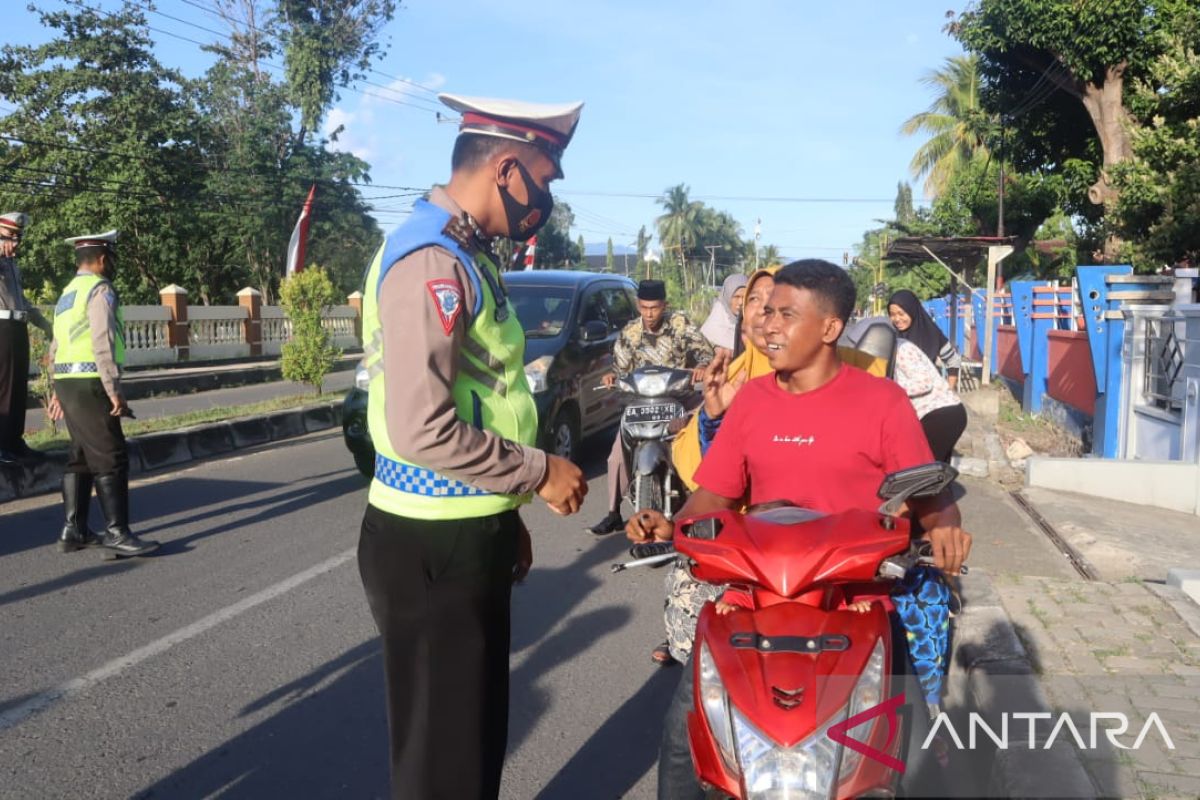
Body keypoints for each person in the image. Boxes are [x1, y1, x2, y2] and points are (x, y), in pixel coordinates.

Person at [627, 260, 972, 799]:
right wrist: (672, 525)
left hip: (855, 602)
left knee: (916, 752)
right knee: (687, 733)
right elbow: (715, 492)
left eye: (787, 314)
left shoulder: (882, 401)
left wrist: (946, 525)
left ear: (831, 328)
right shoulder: (753, 402)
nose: (768, 325)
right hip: (755, 599)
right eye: (766, 311)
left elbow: (928, 493)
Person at [355, 93, 589, 800]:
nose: (544, 200)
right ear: (509, 168)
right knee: (444, 760)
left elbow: (480, 399)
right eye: (545, 183)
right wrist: (539, 471)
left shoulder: (461, 250)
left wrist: (506, 509)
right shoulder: (433, 260)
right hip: (433, 543)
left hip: (463, 526)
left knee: (467, 738)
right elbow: (422, 427)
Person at [45, 230, 158, 558]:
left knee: (80, 456)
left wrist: (56, 388)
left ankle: (74, 529)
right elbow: (102, 341)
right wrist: (114, 390)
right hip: (91, 382)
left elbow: (56, 343)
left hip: (69, 382)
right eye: (114, 258)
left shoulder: (68, 292)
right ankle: (117, 533)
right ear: (104, 258)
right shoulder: (100, 290)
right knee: (111, 456)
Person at [586, 279, 714, 535]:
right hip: (642, 403)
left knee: (703, 440)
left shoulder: (680, 324)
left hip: (680, 398)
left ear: (664, 305)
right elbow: (619, 370)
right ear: (638, 306)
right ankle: (613, 512)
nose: (649, 313)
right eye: (644, 307)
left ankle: (706, 506)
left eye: (654, 307)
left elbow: (705, 353)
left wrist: (701, 369)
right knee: (615, 456)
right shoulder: (630, 333)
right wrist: (612, 379)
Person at [855, 316, 968, 463]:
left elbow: (924, 382)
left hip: (940, 415)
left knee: (921, 469)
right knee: (935, 473)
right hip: (941, 414)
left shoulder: (902, 349)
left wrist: (889, 388)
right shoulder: (889, 352)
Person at [0, 212, 53, 464]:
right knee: (4, 388)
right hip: (1, 327)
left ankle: (14, 440)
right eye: (10, 236)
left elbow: (23, 300)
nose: (16, 242)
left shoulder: (12, 264)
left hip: (17, 326)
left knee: (18, 387)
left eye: (18, 237)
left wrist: (44, 324)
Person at [888, 288, 963, 390]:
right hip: (897, 398)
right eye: (892, 315)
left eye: (901, 314)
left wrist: (949, 390)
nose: (897, 319)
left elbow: (953, 360)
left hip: (927, 399)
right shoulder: (889, 336)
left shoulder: (931, 333)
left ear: (912, 310)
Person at [697, 272, 747, 353]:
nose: (741, 302)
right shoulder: (713, 326)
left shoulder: (751, 325)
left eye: (744, 297)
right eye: (736, 297)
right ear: (727, 297)